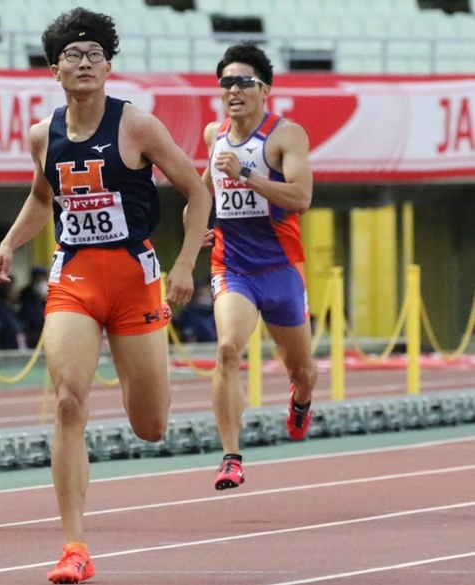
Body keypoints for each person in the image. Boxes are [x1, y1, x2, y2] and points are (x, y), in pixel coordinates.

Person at [0, 8, 211, 583]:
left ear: (109, 65)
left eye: (93, 55)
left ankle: (147, 410)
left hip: (136, 279)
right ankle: (74, 548)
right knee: (68, 402)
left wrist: (186, 264)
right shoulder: (43, 134)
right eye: (72, 56)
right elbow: (43, 199)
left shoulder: (137, 125)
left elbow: (195, 191)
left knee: (151, 426)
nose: (83, 63)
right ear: (54, 69)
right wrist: (11, 244)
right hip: (75, 278)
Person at [201, 42, 318, 491]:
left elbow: (301, 199)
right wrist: (207, 226)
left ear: (264, 89)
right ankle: (231, 457)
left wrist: (247, 176)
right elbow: (205, 191)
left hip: (281, 269)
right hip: (234, 268)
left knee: (302, 371)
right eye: (226, 82)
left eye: (243, 81)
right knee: (227, 349)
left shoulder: (286, 135)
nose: (233, 90)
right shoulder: (214, 136)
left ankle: (301, 400)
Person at [0, 279, 26, 350]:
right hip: (6, 357)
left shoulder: (13, 311)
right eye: (14, 288)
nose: (17, 291)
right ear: (7, 291)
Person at [18, 265, 48, 348]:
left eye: (42, 279)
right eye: (37, 279)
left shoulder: (52, 296)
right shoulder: (26, 296)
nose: (40, 283)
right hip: (31, 342)